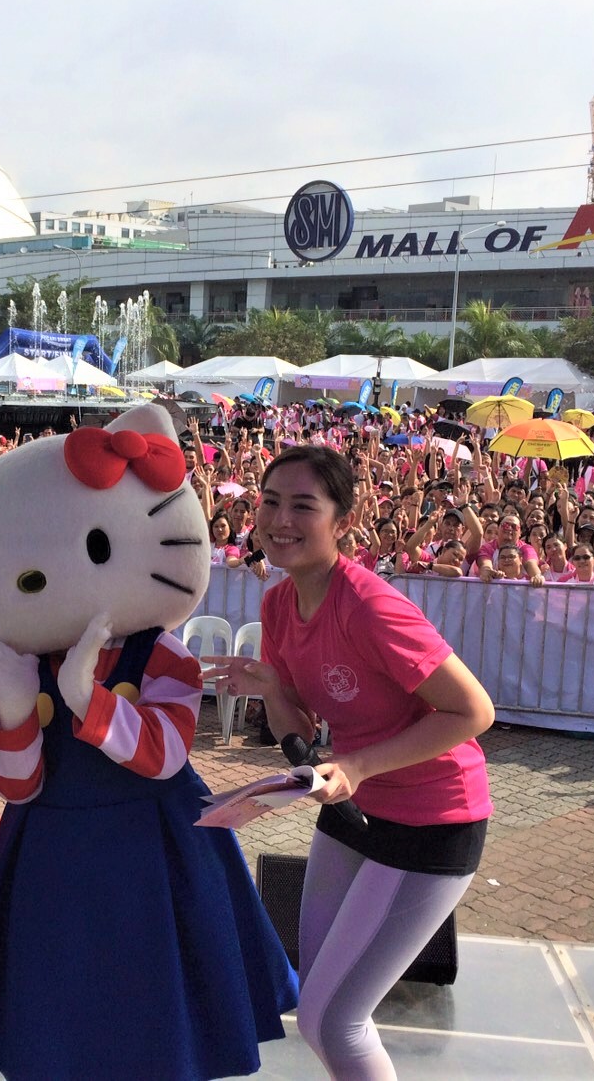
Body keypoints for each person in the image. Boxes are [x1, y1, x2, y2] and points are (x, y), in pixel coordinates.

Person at [202, 445, 494, 1079]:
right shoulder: (279, 605)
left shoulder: (369, 605)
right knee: (316, 1010)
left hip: (433, 819)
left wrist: (358, 765)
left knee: (336, 1020)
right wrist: (274, 692)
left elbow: (473, 712)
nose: (280, 519)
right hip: (352, 812)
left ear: (342, 523)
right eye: (271, 502)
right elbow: (299, 726)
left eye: (303, 506)